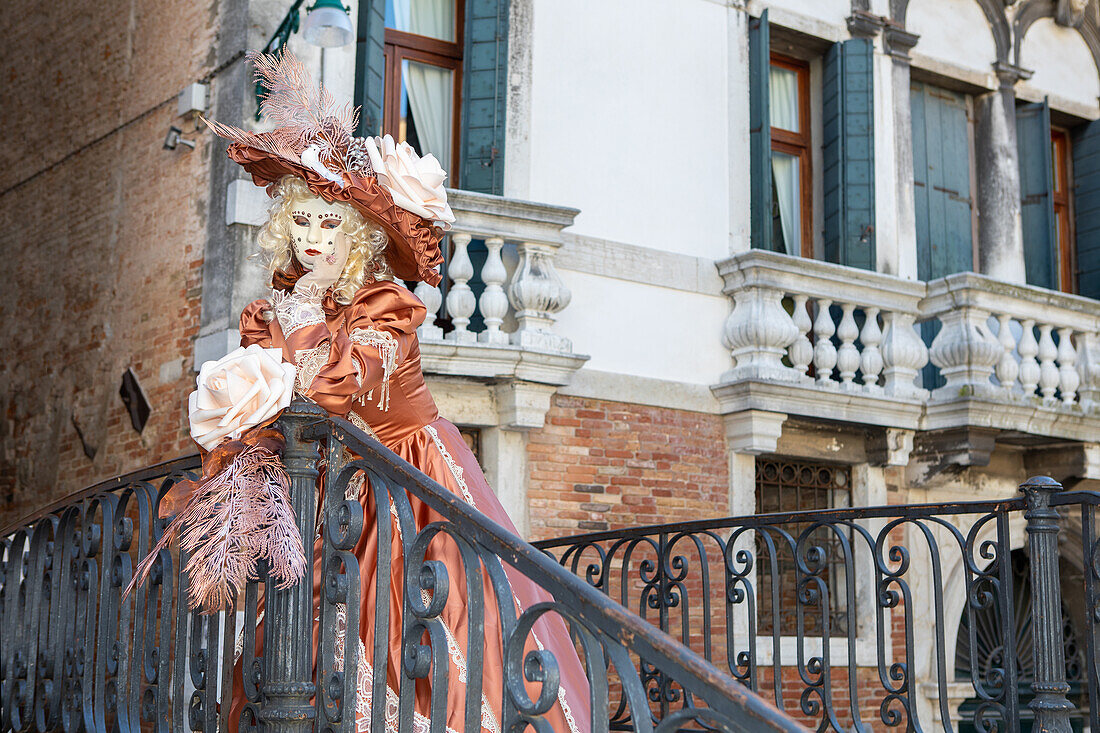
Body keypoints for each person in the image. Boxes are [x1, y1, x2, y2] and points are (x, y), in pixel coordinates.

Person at [204, 52, 591, 732]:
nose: (316, 239)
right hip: (324, 495)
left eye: (332, 224)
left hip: (405, 480)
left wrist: (282, 357)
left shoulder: (383, 305)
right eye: (304, 222)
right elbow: (264, 420)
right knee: (293, 659)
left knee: (420, 651)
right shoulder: (272, 312)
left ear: (355, 233)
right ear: (286, 226)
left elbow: (340, 388)